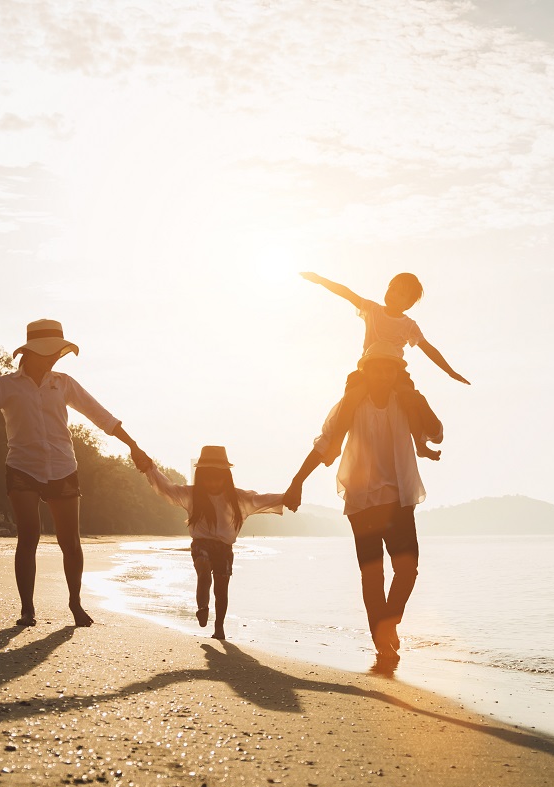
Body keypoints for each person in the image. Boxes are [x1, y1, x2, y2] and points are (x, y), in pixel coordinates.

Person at [0, 318, 152, 628]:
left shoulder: (63, 383)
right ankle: (28, 610)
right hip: (23, 468)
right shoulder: (4, 386)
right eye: (50, 352)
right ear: (32, 352)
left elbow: (100, 415)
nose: (56, 357)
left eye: (58, 352)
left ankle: (75, 604)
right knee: (29, 536)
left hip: (63, 467)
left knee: (71, 542)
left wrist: (133, 446)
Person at [284, 341, 435, 668]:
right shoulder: (352, 405)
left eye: (389, 369)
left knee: (408, 569)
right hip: (362, 502)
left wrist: (418, 400)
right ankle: (382, 644)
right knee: (372, 575)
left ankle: (388, 623)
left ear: (396, 373)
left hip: (399, 500)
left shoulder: (404, 402)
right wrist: (297, 482)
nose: (383, 374)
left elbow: (435, 433)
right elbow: (324, 443)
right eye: (377, 369)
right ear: (367, 372)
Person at [300, 271, 468, 462]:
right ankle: (336, 444)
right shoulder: (372, 309)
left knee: (409, 398)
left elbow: (428, 348)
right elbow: (346, 293)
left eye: (401, 293)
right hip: (367, 369)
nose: (394, 294)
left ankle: (420, 445)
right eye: (392, 289)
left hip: (395, 372)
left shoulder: (409, 325)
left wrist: (451, 372)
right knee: (351, 398)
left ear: (409, 304)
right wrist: (320, 280)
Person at [139, 445, 285, 640]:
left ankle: (219, 628)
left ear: (226, 477)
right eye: (208, 477)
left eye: (218, 477)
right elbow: (167, 488)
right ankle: (202, 607)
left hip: (224, 549)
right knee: (203, 573)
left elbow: (261, 499)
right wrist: (150, 468)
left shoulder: (237, 497)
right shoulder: (192, 494)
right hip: (201, 544)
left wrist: (289, 495)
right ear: (200, 475)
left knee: (221, 590)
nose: (213, 482)